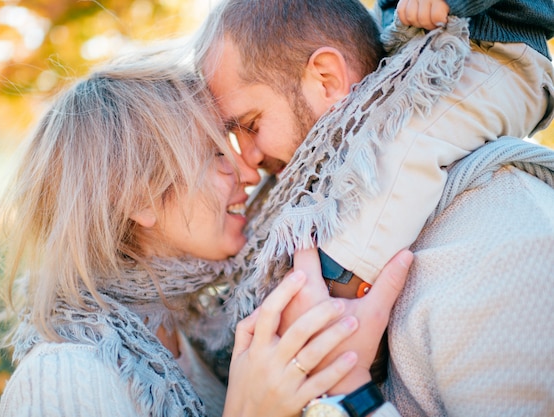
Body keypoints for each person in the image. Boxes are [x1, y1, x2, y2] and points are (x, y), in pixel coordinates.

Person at [0, 50, 399, 417]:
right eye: (216, 153)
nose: (248, 173)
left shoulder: (193, 336)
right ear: (140, 198)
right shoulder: (65, 377)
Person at [194, 0, 554, 415]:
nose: (249, 162)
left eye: (252, 124)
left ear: (327, 78)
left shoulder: (508, 246)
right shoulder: (306, 220)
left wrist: (345, 388)